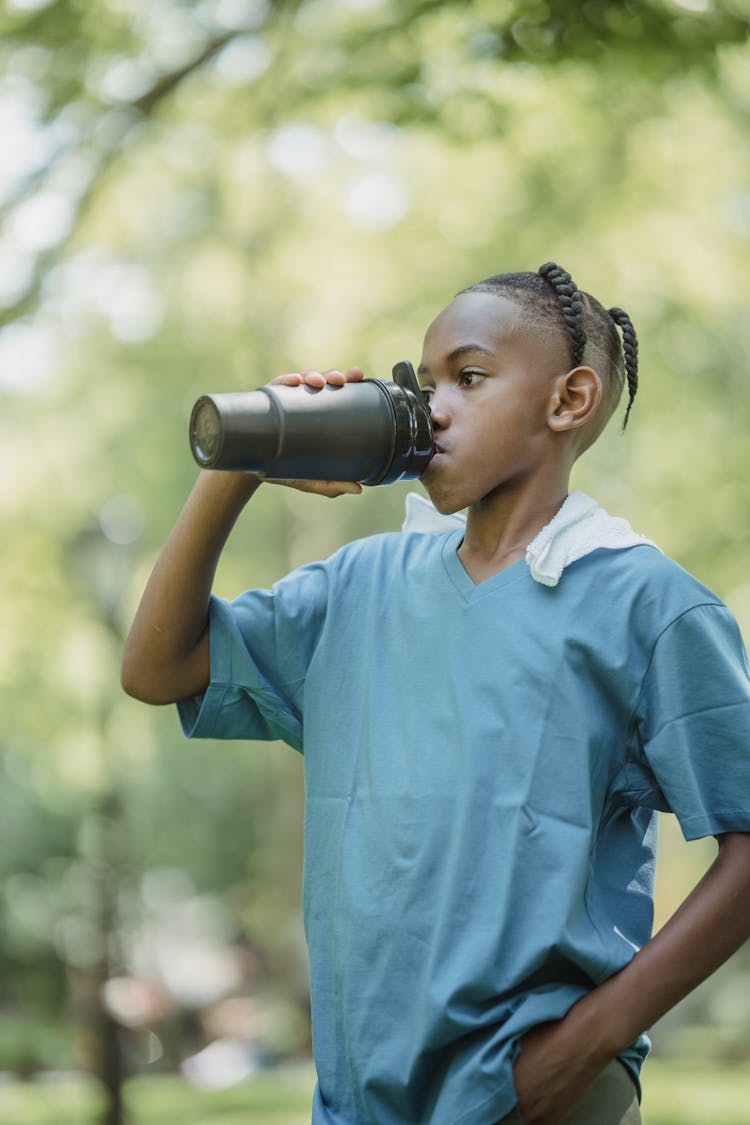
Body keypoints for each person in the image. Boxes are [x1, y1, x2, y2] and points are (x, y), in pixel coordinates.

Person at [122, 263, 750, 1125]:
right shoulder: (359, 584)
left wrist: (589, 1041)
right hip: (358, 1100)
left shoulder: (649, 605)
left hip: (538, 1095)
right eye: (424, 382)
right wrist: (240, 462)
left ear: (568, 399)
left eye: (471, 376)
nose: (433, 406)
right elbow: (157, 668)